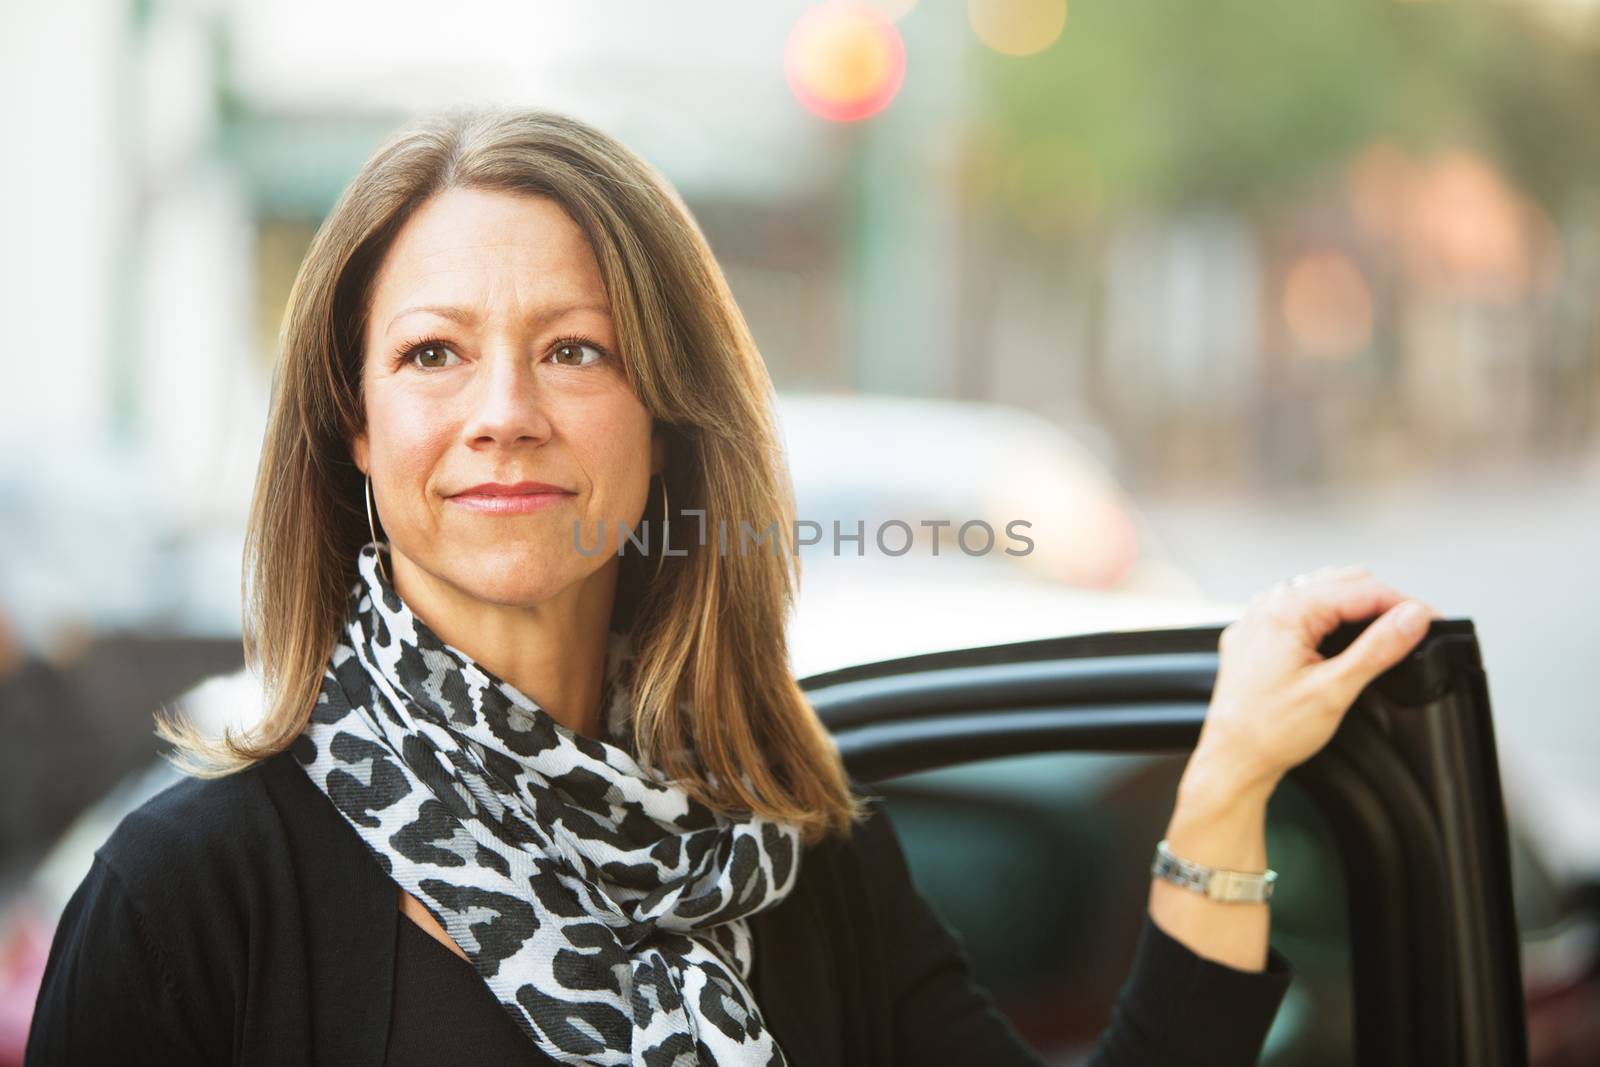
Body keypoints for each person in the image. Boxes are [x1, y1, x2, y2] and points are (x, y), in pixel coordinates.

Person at [25, 107, 1443, 1067]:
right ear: (355, 429)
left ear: (667, 420)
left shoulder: (804, 866)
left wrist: (1226, 786)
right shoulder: (190, 893)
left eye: (575, 350)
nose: (503, 410)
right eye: (433, 355)